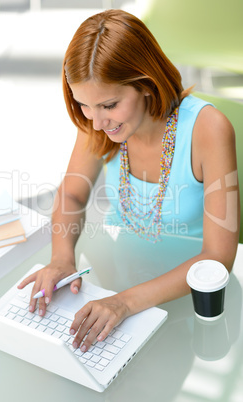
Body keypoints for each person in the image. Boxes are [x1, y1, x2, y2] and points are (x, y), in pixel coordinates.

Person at [18, 9, 240, 353]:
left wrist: (124, 303)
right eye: (85, 105)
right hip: (119, 283)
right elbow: (72, 196)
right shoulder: (101, 124)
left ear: (147, 84)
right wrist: (62, 258)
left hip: (192, 296)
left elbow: (218, 257)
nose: (96, 123)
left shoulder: (209, 130)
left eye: (110, 104)